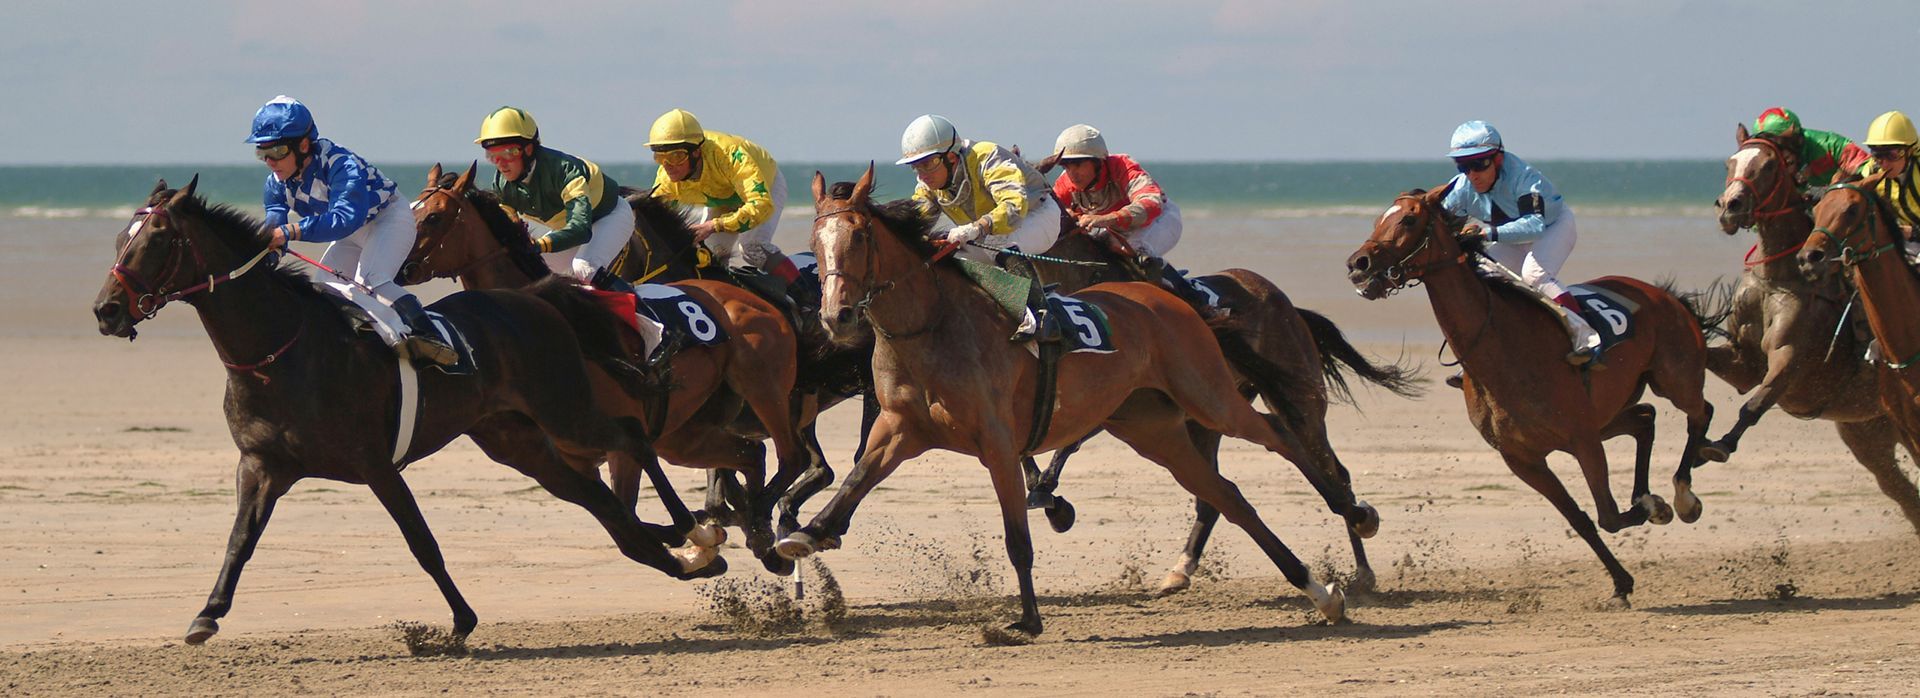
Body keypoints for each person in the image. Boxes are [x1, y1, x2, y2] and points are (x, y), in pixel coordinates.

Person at [249, 96, 456, 366]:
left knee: (372, 282)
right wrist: (266, 254)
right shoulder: (275, 183)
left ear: (302, 145)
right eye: (261, 152)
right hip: (351, 235)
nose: (269, 161)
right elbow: (274, 228)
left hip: (388, 219)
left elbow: (343, 220)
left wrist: (289, 232)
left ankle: (428, 334)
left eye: (277, 151)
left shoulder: (341, 164)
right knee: (324, 290)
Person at [1441, 120, 1599, 370]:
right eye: (1463, 165)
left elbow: (1534, 227)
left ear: (1498, 159)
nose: (1472, 174)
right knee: (1481, 275)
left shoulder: (1524, 178)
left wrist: (1483, 233)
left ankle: (1587, 339)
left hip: (1552, 227)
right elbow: (1438, 224)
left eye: (1479, 163)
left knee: (1534, 274)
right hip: (1510, 236)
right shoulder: (1461, 188)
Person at [897, 114, 1062, 340]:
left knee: (998, 242)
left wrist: (977, 227)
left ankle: (1042, 316)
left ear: (952, 157)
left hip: (1038, 216)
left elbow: (1014, 207)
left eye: (928, 164)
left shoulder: (987, 156)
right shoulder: (928, 184)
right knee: (946, 253)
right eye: (916, 167)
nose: (923, 175)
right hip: (992, 231)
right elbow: (917, 217)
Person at [1047, 124, 1210, 311]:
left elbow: (1151, 203)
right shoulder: (1065, 183)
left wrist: (1108, 218)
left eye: (1077, 165)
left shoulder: (1123, 166)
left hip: (1159, 219)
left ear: (1097, 162)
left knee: (1139, 249)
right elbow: (1051, 213)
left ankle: (1200, 304)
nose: (1072, 173)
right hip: (1116, 230)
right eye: (1066, 166)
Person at [643, 108, 801, 300]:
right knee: (712, 253)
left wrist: (713, 225)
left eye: (677, 156)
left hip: (764, 188)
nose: (668, 165)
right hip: (720, 197)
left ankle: (805, 298)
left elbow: (760, 205)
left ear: (696, 152)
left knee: (753, 248)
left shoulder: (730, 156)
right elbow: (651, 219)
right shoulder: (666, 179)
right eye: (660, 157)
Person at [474, 106, 635, 289]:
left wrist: (539, 244)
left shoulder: (565, 170)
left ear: (528, 149)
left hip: (609, 217)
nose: (501, 164)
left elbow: (580, 229)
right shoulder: (502, 185)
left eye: (509, 153)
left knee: (585, 268)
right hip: (569, 230)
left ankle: (642, 312)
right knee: (532, 268)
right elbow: (508, 228)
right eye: (493, 156)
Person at [1751, 107, 1869, 189]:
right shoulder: (1765, 169)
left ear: (1798, 139)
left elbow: (1867, 167)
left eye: (1783, 144)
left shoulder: (1830, 145)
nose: (1782, 155)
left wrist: (1841, 184)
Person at [1852, 111, 1920, 249]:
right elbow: (1849, 191)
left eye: (1892, 155)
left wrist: (1914, 233)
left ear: (1910, 151)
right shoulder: (1872, 170)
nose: (1884, 163)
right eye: (1877, 155)